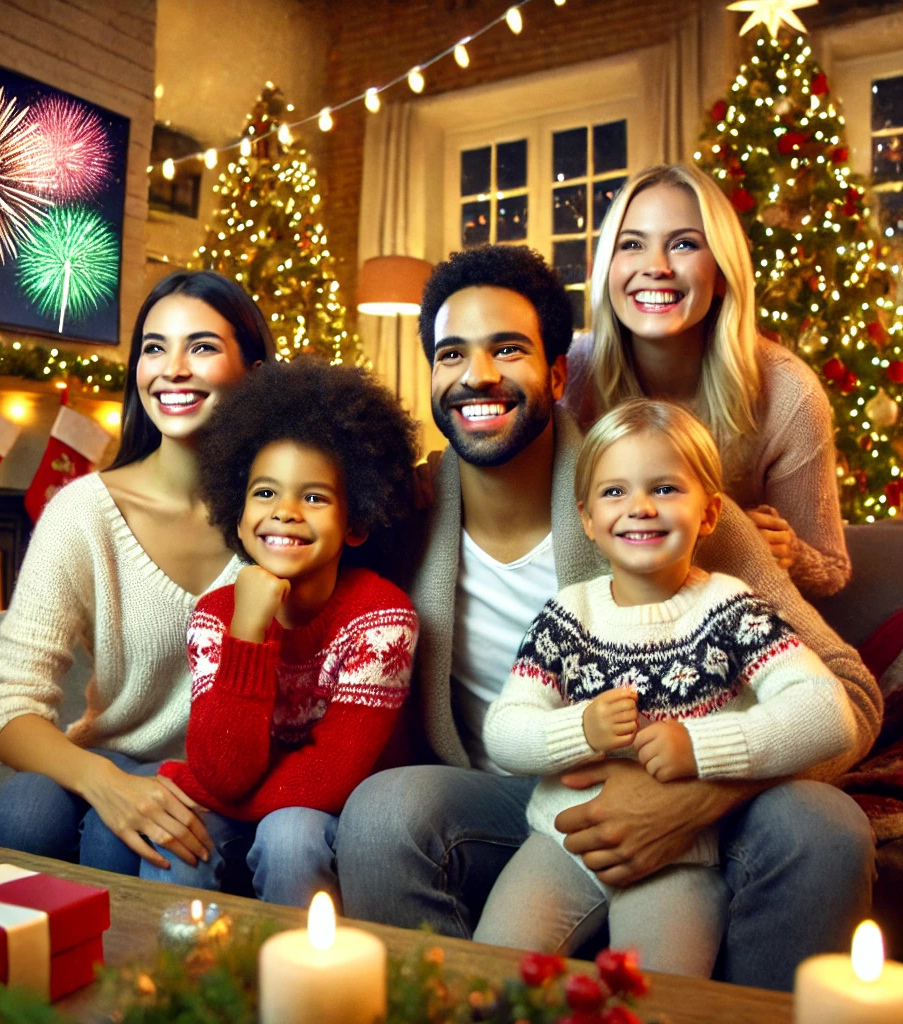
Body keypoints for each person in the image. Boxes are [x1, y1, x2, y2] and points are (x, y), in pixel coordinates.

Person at [333, 243, 881, 992]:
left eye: (509, 349)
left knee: (824, 826)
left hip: (697, 786)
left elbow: (849, 696)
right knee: (380, 814)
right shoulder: (407, 510)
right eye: (452, 353)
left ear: (558, 374)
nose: (478, 376)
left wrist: (690, 790)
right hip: (519, 801)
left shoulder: (658, 499)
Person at [473, 398, 856, 977]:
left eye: (666, 489)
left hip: (679, 858)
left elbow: (829, 713)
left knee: (661, 998)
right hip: (558, 846)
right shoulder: (570, 614)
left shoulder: (728, 609)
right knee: (488, 973)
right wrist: (579, 728)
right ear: (587, 519)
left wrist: (700, 747)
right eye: (615, 492)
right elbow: (504, 729)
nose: (641, 508)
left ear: (709, 513)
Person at [0, 270, 273, 875]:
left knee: (141, 842)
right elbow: (6, 705)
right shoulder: (84, 513)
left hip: (235, 783)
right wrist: (103, 780)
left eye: (203, 347)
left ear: (256, 372)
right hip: (112, 759)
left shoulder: (285, 512)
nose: (173, 368)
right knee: (23, 814)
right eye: (154, 348)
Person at [139, 359, 420, 907]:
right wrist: (248, 628)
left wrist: (202, 789)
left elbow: (328, 781)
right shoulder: (218, 615)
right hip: (246, 787)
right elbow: (223, 770)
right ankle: (180, 978)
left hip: (335, 812)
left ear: (356, 521)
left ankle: (299, 988)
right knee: (173, 831)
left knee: (289, 832)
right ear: (238, 515)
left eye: (314, 498)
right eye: (265, 493)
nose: (286, 512)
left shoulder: (382, 618)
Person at [562, 164, 849, 598]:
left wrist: (791, 553)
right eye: (632, 244)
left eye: (683, 244)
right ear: (608, 268)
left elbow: (832, 570)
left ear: (720, 272)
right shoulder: (571, 373)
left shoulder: (790, 393)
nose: (655, 266)